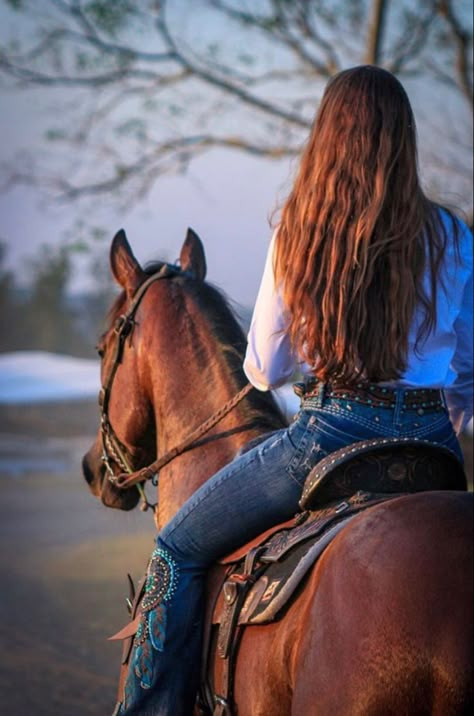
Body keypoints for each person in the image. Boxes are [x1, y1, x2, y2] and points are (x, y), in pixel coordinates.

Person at [116, 66, 473, 715]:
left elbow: (264, 371)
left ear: (327, 137)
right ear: (406, 138)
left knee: (177, 548)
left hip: (328, 434)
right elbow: (469, 372)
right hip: (434, 444)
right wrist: (435, 413)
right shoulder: (452, 235)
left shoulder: (300, 230)